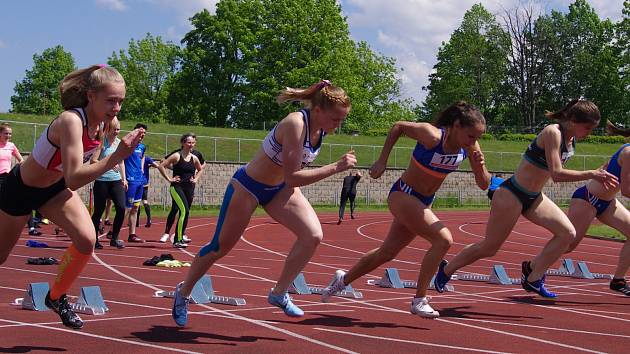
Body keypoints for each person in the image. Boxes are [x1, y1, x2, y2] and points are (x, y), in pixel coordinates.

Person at [171, 80, 356, 326]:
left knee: (313, 235)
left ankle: (279, 293)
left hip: (280, 189)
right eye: (335, 119)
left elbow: (288, 180)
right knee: (219, 247)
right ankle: (183, 293)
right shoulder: (296, 123)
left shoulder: (319, 128)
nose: (338, 125)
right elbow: (293, 176)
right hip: (249, 187)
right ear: (318, 110)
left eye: (341, 120)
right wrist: (336, 167)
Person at [0, 65, 144, 329]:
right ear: (91, 96)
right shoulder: (71, 121)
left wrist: (114, 153)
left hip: (53, 191)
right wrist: (117, 156)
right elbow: (75, 177)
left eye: (121, 101)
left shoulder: (105, 124)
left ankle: (56, 297)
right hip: (21, 189)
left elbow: (84, 168)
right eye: (111, 100)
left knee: (87, 239)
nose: (117, 108)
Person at [434, 98, 618, 299]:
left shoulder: (571, 139)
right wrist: (591, 173)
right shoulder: (553, 133)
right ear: (573, 120)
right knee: (489, 247)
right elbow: (557, 174)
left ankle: (532, 274)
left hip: (534, 197)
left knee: (567, 234)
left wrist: (600, 170)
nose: (589, 133)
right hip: (512, 194)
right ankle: (446, 269)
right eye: (587, 128)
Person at [322, 101, 490, 318]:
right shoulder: (432, 136)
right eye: (471, 136)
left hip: (424, 201)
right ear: (456, 125)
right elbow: (398, 126)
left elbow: (484, 184)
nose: (474, 142)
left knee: (387, 253)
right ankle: (419, 300)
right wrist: (382, 161)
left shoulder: (471, 147)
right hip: (404, 194)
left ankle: (342, 280)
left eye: (478, 138)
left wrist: (479, 166)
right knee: (443, 240)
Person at [565, 121, 630, 296]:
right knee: (567, 245)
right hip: (587, 199)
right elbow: (626, 190)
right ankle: (533, 267)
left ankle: (618, 280)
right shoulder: (629, 153)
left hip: (608, 203)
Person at [158, 133, 203, 248]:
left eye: (193, 142)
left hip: (189, 188)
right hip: (177, 187)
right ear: (183, 143)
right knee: (184, 211)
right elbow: (161, 166)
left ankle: (180, 237)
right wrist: (169, 179)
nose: (191, 145)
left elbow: (200, 169)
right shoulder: (177, 156)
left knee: (186, 212)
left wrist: (196, 178)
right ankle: (177, 240)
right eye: (189, 142)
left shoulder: (194, 158)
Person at [90, 117, 128, 249]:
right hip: (102, 181)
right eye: (114, 129)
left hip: (116, 180)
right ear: (108, 129)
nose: (117, 132)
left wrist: (124, 178)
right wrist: (108, 165)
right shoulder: (102, 142)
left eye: (118, 129)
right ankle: (94, 239)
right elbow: (93, 161)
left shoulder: (119, 143)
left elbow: (121, 161)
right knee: (99, 210)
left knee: (121, 208)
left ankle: (114, 237)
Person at [0, 123, 34, 235]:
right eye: (6, 133)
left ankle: (31, 227)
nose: (8, 135)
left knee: (22, 198)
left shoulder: (11, 145)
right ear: (0, 134)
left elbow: (21, 160)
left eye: (10, 134)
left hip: (7, 177)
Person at [124, 123, 148, 243]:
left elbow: (142, 157)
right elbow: (120, 160)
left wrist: (142, 170)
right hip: (130, 180)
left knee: (135, 208)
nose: (142, 135)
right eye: (140, 132)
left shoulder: (142, 147)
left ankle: (132, 234)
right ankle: (114, 232)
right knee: (127, 208)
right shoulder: (127, 145)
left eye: (144, 133)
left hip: (139, 180)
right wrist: (124, 178)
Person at [135, 155, 161, 228]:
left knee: (137, 202)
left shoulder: (135, 157)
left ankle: (136, 221)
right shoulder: (147, 158)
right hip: (144, 183)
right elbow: (157, 165)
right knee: (145, 201)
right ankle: (149, 219)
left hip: (137, 182)